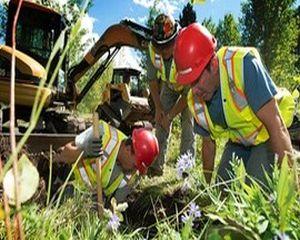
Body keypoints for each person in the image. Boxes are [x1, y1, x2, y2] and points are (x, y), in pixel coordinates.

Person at [173, 23, 295, 187]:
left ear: (214, 64)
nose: (194, 91)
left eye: (196, 80)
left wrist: (293, 188)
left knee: (256, 189)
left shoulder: (243, 65)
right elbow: (208, 145)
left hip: (267, 135)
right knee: (222, 190)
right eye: (189, 83)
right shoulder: (194, 101)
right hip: (239, 141)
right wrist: (208, 190)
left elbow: (276, 127)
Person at [55, 120, 159, 203]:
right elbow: (63, 155)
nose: (135, 171)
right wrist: (84, 151)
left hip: (88, 203)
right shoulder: (103, 133)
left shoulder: (131, 176)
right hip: (67, 183)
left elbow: (114, 206)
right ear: (128, 149)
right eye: (135, 165)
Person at [147, 13, 195, 176]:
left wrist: (170, 116)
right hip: (169, 85)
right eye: (160, 47)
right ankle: (156, 166)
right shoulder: (153, 51)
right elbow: (152, 81)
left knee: (187, 124)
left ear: (176, 38)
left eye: (168, 46)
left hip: (188, 87)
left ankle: (185, 170)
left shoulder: (187, 48)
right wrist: (159, 109)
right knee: (160, 122)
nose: (164, 51)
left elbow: (188, 94)